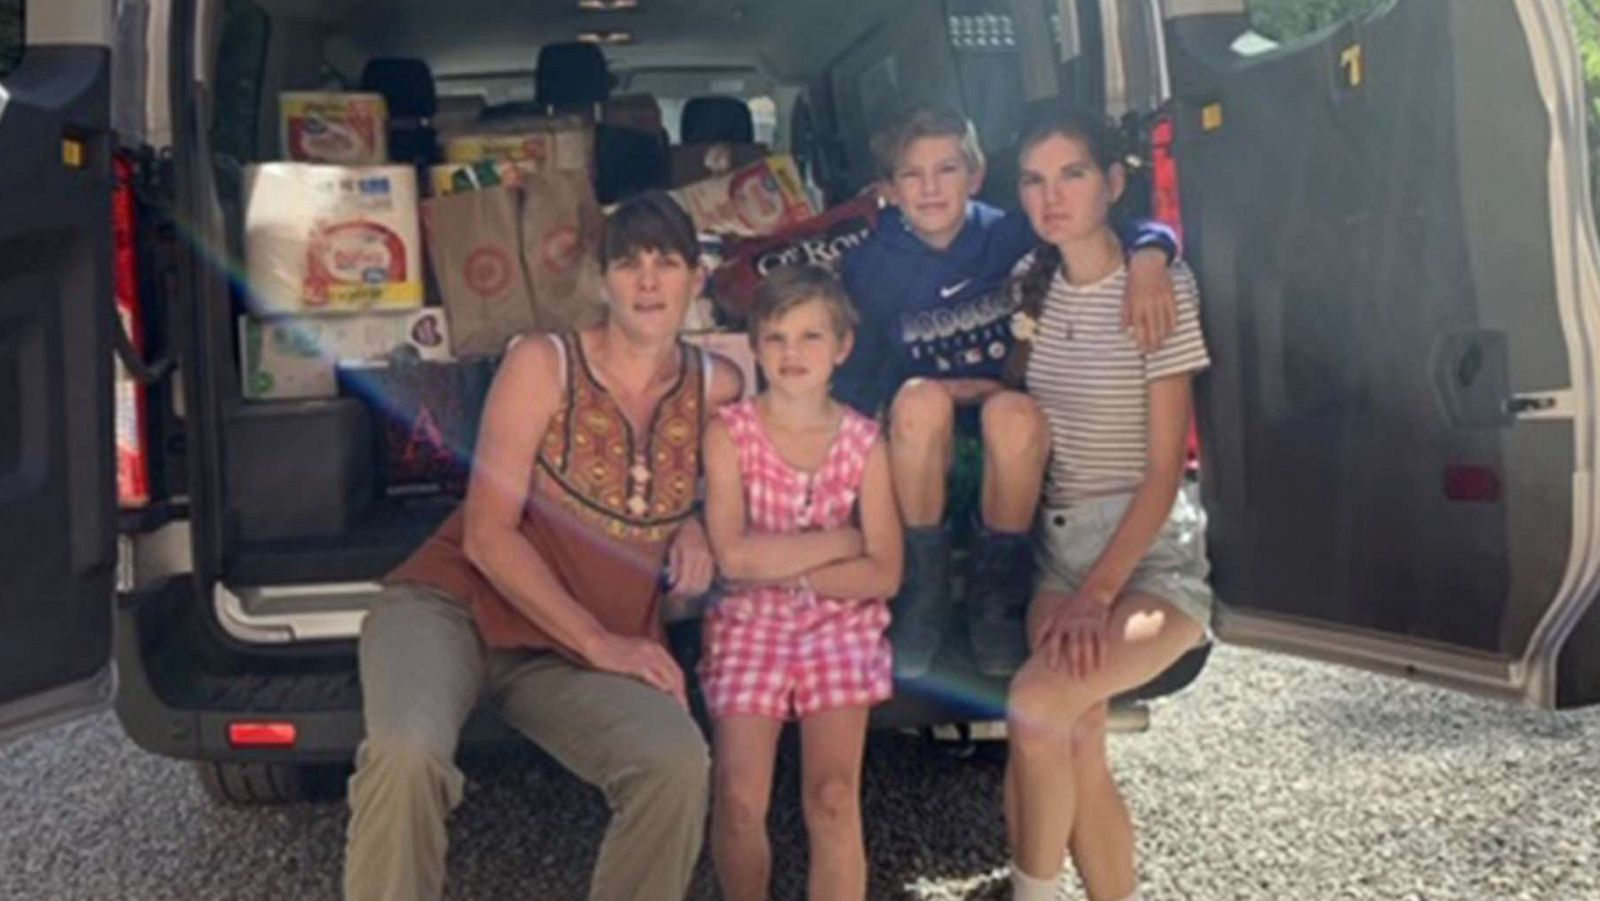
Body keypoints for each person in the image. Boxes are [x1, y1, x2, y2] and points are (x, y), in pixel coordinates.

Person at [343, 191, 744, 901]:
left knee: (674, 761)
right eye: (628, 264)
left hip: (564, 653)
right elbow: (488, 533)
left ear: (698, 279)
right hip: (454, 607)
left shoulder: (719, 386)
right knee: (406, 755)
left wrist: (696, 520)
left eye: (668, 263)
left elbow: (734, 485)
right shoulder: (543, 362)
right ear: (600, 280)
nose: (648, 282)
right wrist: (602, 644)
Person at [834, 106, 1182, 677]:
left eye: (946, 170)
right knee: (919, 399)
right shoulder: (869, 266)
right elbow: (860, 377)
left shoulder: (1012, 234)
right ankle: (924, 592)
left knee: (1013, 412)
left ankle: (998, 597)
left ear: (975, 177)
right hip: (923, 453)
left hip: (1016, 449)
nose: (929, 188)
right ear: (889, 191)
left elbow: (1127, 226)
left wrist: (1151, 258)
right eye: (912, 176)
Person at [1000, 103, 1214, 901]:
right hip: (1060, 550)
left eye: (1073, 174)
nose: (1051, 196)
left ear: (1113, 182)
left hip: (1150, 551)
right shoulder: (1033, 288)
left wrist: (1098, 596)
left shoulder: (1158, 289)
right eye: (1033, 179)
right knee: (1076, 732)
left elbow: (1164, 473)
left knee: (1037, 703)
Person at [699, 265, 902, 901]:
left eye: (812, 337)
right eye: (777, 337)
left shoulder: (864, 443)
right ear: (755, 346)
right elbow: (733, 558)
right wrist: (841, 544)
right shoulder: (729, 432)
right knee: (736, 800)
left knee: (835, 796)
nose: (793, 354)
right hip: (748, 625)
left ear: (842, 347)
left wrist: (788, 568)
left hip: (840, 628)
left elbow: (885, 572)